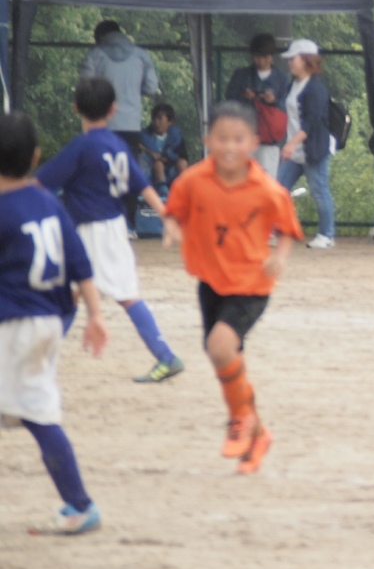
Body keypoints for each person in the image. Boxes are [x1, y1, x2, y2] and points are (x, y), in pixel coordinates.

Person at [163, 101, 304, 475]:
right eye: (221, 138)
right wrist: (173, 230)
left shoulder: (267, 189)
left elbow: (288, 229)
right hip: (211, 281)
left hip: (252, 284)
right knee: (222, 355)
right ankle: (257, 434)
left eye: (238, 139)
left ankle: (240, 420)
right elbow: (173, 211)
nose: (229, 146)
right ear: (207, 140)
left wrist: (280, 257)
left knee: (220, 346)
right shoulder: (193, 180)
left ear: (253, 143)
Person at [35, 77, 185, 384]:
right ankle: (166, 356)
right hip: (116, 229)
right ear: (113, 109)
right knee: (124, 295)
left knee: (69, 294)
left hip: (90, 232)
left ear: (76, 108)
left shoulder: (81, 146)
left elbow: (40, 183)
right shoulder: (117, 145)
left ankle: (36, 364)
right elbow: (143, 185)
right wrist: (167, 217)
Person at [0, 111, 108, 535]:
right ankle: (78, 503)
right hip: (47, 322)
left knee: (37, 415)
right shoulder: (48, 202)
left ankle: (80, 504)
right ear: (36, 156)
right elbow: (81, 265)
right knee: (35, 412)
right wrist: (96, 315)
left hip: (14, 326)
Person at [79, 20, 160, 230]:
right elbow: (152, 87)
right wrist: (132, 91)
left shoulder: (96, 55)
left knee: (98, 171)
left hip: (102, 124)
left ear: (100, 37)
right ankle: (129, 224)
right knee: (128, 173)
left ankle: (103, 221)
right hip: (131, 124)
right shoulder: (140, 55)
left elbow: (84, 87)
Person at [275, 38, 335, 249]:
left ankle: (327, 235)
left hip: (313, 150)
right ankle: (276, 231)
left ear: (307, 60)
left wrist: (291, 144)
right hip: (294, 151)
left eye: (294, 58)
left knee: (319, 191)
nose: (290, 62)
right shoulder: (293, 84)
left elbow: (311, 122)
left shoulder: (316, 89)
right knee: (278, 189)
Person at [224, 33, 289, 179]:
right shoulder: (241, 75)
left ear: (271, 56)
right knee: (241, 179)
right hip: (243, 136)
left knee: (266, 181)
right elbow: (229, 98)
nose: (260, 61)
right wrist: (243, 96)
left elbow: (287, 107)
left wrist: (273, 101)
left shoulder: (281, 79)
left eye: (264, 57)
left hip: (268, 140)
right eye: (257, 57)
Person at [138, 102, 189, 195]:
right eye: (154, 118)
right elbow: (137, 146)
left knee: (182, 163)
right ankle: (163, 192)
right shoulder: (145, 137)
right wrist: (151, 153)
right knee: (158, 165)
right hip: (152, 173)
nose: (156, 122)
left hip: (171, 172)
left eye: (160, 118)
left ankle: (185, 191)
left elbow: (182, 156)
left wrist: (168, 159)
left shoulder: (176, 138)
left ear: (169, 122)